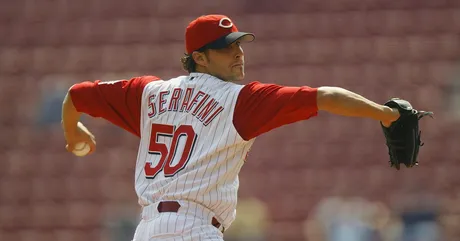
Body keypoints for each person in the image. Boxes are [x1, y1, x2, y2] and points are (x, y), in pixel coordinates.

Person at [61, 14, 400, 241]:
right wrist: (384, 114)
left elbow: (76, 95)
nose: (238, 53)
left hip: (148, 231)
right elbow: (325, 96)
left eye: (239, 44)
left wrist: (73, 132)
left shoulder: (148, 93)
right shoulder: (240, 101)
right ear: (200, 57)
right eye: (226, 48)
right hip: (194, 230)